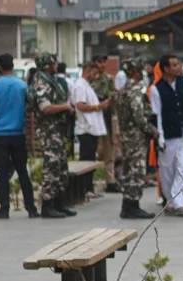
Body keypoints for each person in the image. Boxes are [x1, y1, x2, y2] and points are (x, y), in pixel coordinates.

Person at [0, 54, 37, 218]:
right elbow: (31, 105)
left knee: (3, 174)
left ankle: (4, 209)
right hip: (18, 134)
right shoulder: (22, 85)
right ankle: (31, 208)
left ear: (0, 66)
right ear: (13, 66)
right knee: (22, 172)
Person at [151, 53, 183, 216]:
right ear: (166, 69)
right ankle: (170, 202)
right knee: (167, 170)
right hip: (169, 134)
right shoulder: (156, 89)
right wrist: (160, 138)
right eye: (175, 65)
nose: (180, 67)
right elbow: (156, 114)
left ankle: (179, 202)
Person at [30, 53, 76, 218]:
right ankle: (47, 205)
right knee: (51, 168)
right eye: (53, 63)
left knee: (61, 167)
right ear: (47, 65)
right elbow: (45, 108)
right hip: (49, 131)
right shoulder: (41, 82)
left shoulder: (50, 80)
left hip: (57, 131)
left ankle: (58, 203)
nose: (56, 65)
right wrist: (65, 107)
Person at [113, 60, 158, 219]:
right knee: (136, 170)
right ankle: (133, 206)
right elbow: (139, 116)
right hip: (135, 136)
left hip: (126, 135)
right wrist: (153, 131)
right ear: (136, 72)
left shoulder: (122, 90)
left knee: (128, 169)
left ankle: (127, 205)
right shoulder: (134, 90)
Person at [72, 62, 109, 197]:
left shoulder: (87, 85)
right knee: (85, 159)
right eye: (94, 72)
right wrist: (98, 107)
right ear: (87, 70)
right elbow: (81, 106)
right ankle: (84, 188)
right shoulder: (80, 85)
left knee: (90, 159)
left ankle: (89, 187)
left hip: (91, 128)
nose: (96, 75)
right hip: (85, 128)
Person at [89, 55, 119, 193]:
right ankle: (90, 182)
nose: (102, 65)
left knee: (110, 148)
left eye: (103, 62)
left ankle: (110, 180)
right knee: (93, 149)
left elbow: (113, 94)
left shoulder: (108, 78)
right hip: (94, 116)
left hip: (107, 115)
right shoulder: (90, 79)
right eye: (100, 62)